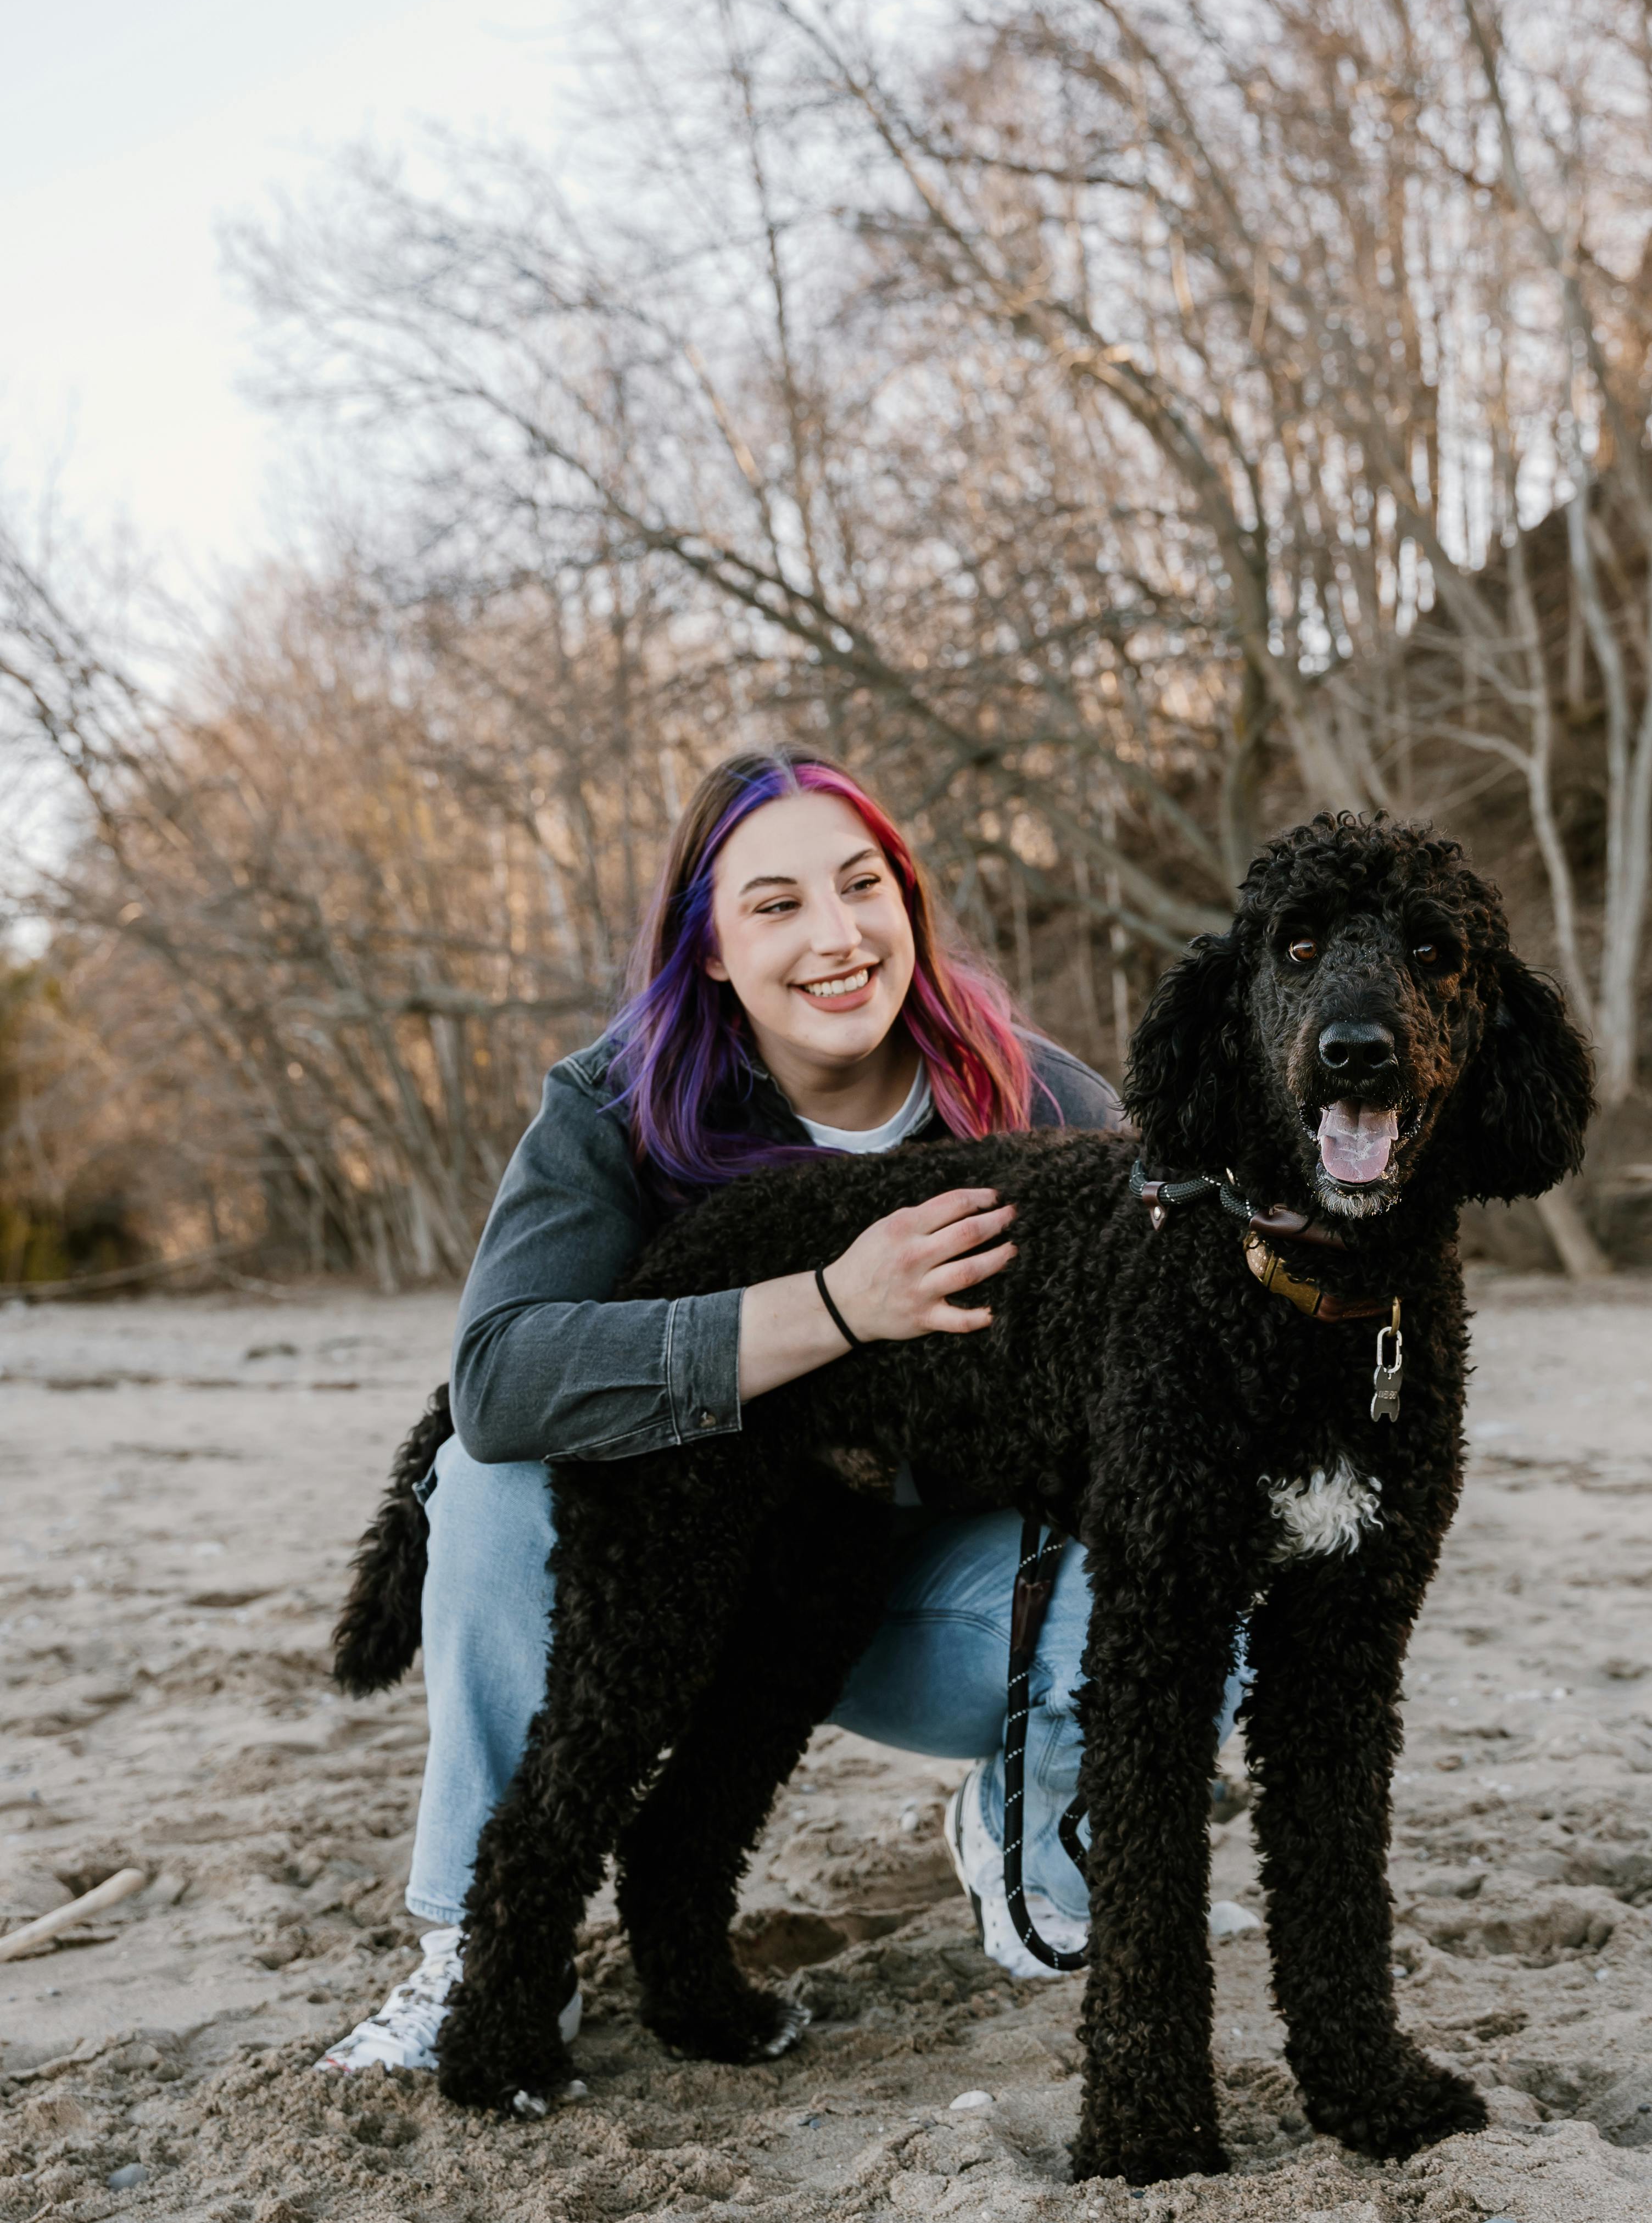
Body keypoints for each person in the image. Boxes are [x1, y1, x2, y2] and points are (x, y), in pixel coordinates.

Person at [316, 745, 1243, 2077]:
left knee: (1222, 1555)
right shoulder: (611, 1103)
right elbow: (502, 1380)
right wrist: (839, 1304)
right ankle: (482, 1944)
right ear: (705, 950)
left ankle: (1034, 1821)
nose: (836, 934)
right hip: (672, 1519)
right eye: (774, 903)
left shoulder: (1045, 1102)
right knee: (490, 1464)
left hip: (914, 1570)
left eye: (862, 886)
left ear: (908, 903)